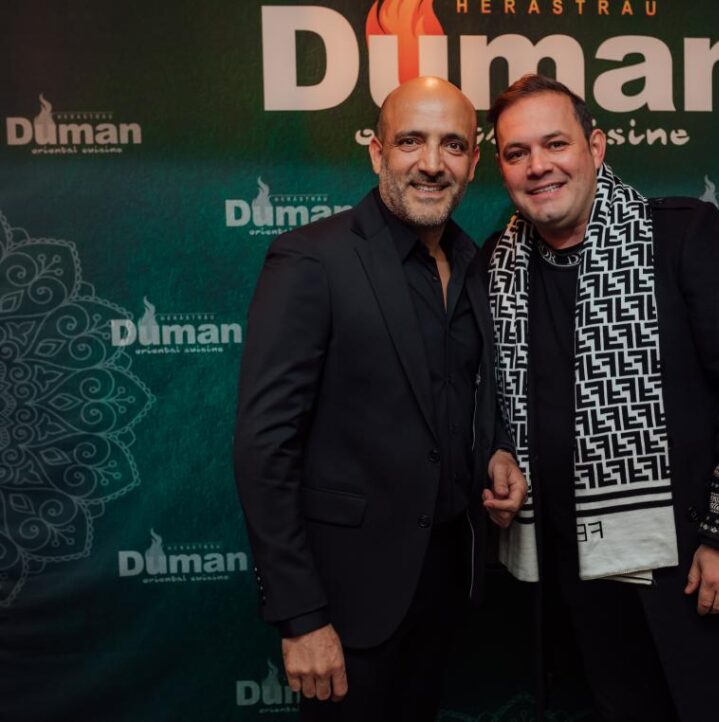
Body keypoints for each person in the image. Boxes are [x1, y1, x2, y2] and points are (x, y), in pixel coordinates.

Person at [484, 74, 719, 721]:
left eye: (555, 143)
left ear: (596, 147)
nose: (538, 165)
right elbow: (489, 397)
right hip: (579, 580)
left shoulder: (680, 235)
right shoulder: (497, 266)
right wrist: (498, 453)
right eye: (516, 152)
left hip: (696, 564)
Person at [233, 76, 525, 721]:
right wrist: (300, 614)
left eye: (453, 145)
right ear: (376, 152)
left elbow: (461, 397)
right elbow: (264, 447)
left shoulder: (475, 263)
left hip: (447, 582)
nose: (432, 163)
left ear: (474, 160)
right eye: (410, 141)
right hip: (346, 601)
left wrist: (497, 452)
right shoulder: (311, 258)